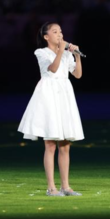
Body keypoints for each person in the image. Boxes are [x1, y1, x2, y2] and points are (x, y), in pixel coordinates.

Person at [18, 22, 84, 197]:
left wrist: (76, 56)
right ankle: (51, 187)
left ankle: (66, 186)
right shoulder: (41, 52)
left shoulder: (66, 54)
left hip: (64, 95)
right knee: (50, 144)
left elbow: (77, 75)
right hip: (48, 95)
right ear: (46, 37)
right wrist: (62, 51)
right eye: (55, 32)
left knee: (65, 145)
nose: (59, 34)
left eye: (61, 31)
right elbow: (52, 69)